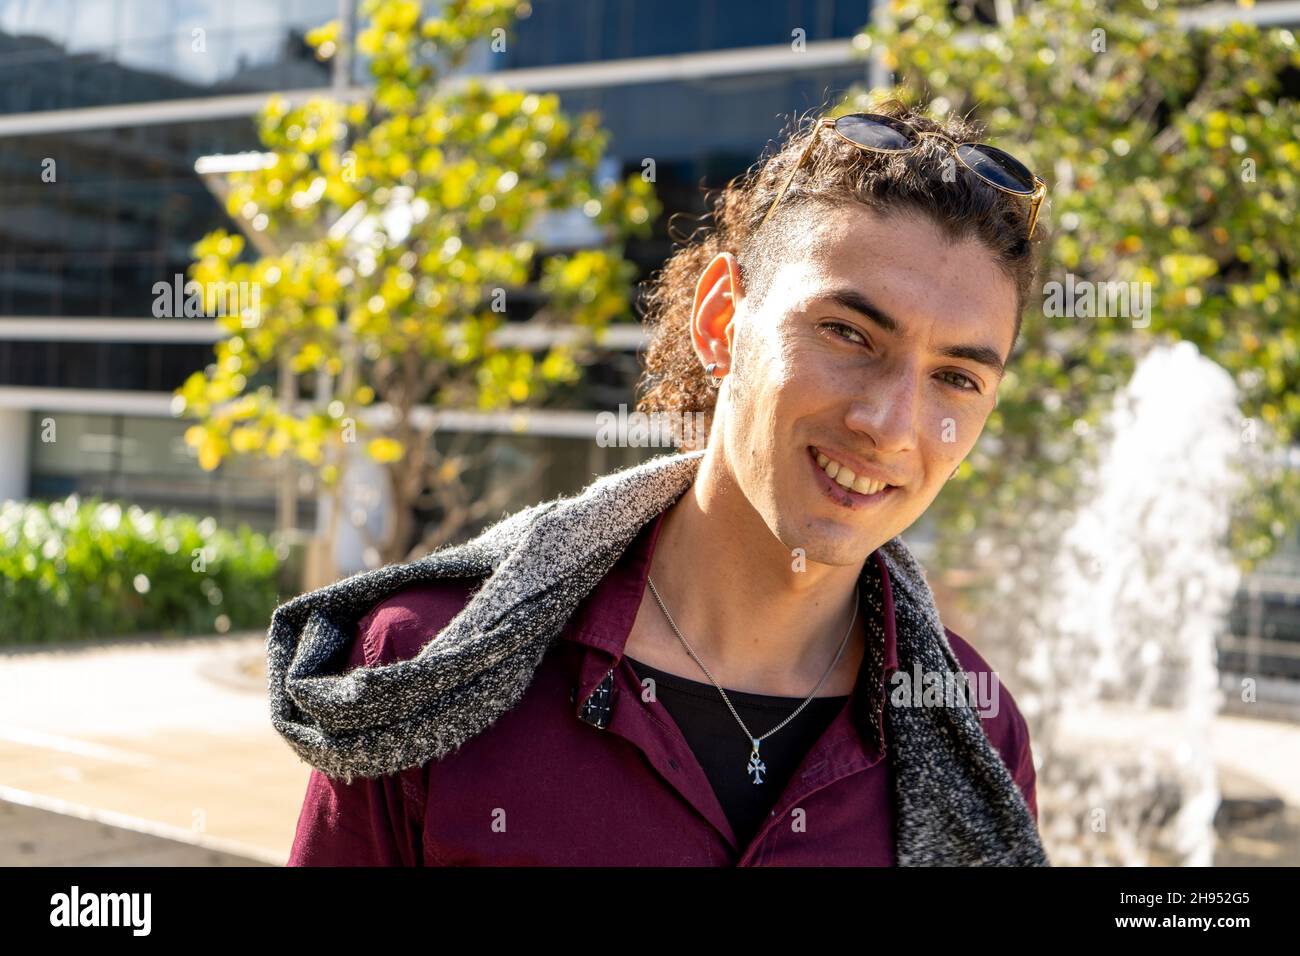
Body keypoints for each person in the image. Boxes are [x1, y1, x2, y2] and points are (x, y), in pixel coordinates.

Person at [268, 95, 1050, 866]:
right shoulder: (422, 666)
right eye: (847, 333)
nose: (890, 424)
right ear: (721, 321)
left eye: (956, 377)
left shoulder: (977, 733)